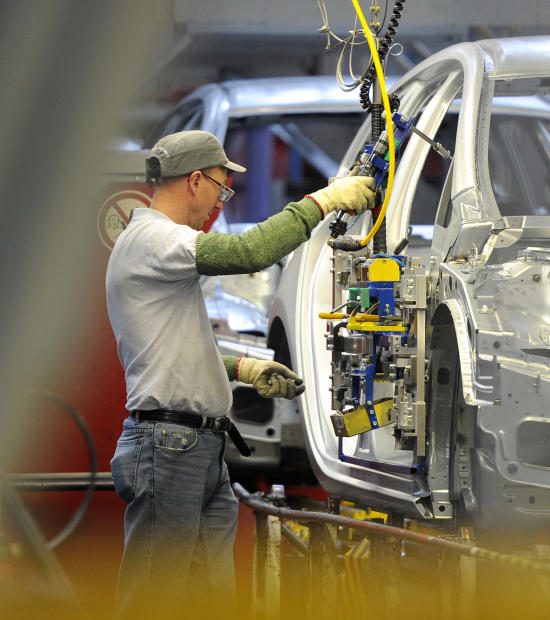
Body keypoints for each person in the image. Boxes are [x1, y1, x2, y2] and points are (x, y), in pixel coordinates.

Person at [105, 130, 374, 618]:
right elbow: (249, 253)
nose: (220, 201)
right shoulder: (155, 239)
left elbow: (169, 351)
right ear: (194, 181)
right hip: (169, 447)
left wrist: (243, 368)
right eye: (221, 188)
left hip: (196, 448)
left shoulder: (156, 248)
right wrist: (322, 201)